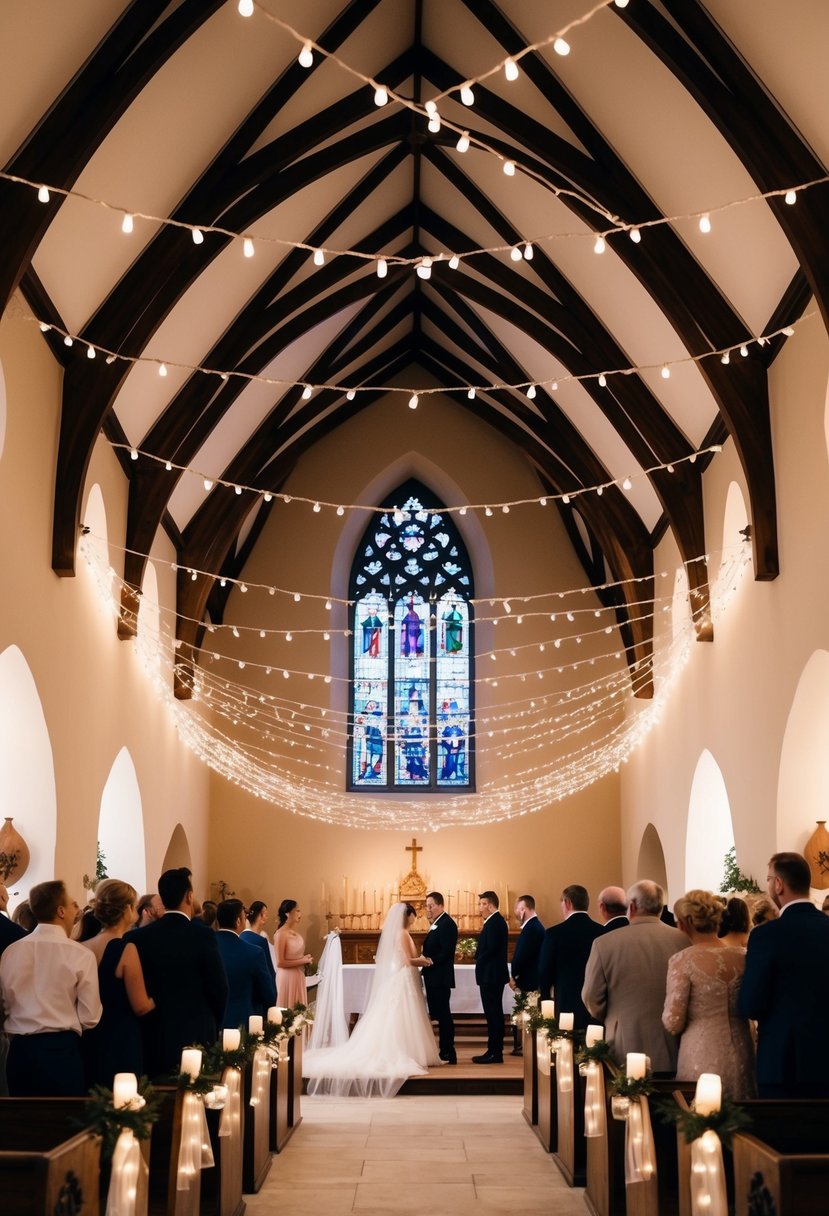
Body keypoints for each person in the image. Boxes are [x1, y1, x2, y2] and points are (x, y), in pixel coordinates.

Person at [302, 902, 439, 1096]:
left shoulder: (397, 934)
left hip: (401, 978)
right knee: (402, 1016)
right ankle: (406, 1051)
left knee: (399, 1016)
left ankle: (411, 1050)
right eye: (413, 915)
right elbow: (408, 960)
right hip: (404, 978)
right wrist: (425, 960)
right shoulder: (403, 934)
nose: (415, 919)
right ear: (408, 916)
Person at [738, 852, 829, 1098]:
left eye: (769, 879)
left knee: (781, 1135)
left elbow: (751, 1004)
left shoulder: (766, 935)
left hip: (782, 1062)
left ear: (778, 884)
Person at [0, 879, 102, 1096]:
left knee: (22, 1123)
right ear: (61, 911)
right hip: (60, 1050)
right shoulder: (79, 954)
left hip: (20, 1051)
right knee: (63, 1123)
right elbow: (90, 1016)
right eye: (73, 904)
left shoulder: (11, 952)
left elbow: (5, 1001)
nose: (78, 909)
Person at [130, 867, 228, 1078]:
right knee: (196, 1098)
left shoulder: (138, 938)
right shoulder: (203, 935)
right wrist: (211, 1022)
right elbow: (219, 987)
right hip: (197, 1031)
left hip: (153, 1032)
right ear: (189, 896)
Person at [582, 879, 687, 1072]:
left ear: (631, 907)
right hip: (673, 1042)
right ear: (660, 908)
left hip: (623, 1043)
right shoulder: (683, 941)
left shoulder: (604, 943)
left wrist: (613, 1017)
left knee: (625, 1098)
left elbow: (591, 995)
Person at [662, 889, 755, 1099]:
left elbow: (673, 1021)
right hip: (743, 1048)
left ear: (684, 923)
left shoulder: (682, 960)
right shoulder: (744, 956)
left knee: (701, 1118)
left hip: (700, 1051)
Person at [80, 878, 155, 1086]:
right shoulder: (126, 949)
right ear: (127, 909)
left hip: (90, 1036)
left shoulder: (83, 946)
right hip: (120, 1038)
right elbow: (140, 1006)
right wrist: (154, 1001)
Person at [538, 885, 603, 1029]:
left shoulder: (554, 934)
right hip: (596, 1004)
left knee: (567, 1046)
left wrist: (545, 999)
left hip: (565, 1001)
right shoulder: (602, 932)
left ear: (567, 902)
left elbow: (544, 972)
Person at [215, 898, 276, 1029]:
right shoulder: (253, 952)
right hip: (241, 1023)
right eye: (244, 917)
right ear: (238, 921)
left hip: (211, 1023)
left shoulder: (206, 947)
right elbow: (269, 995)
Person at [422, 890, 458, 1064]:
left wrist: (429, 960)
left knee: (444, 1015)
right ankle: (444, 1049)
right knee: (439, 1013)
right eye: (426, 906)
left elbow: (446, 951)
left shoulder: (447, 924)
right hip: (433, 976)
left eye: (431, 905)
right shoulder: (437, 922)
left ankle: (448, 1051)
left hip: (440, 977)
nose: (428, 909)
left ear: (441, 905)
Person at [473, 890, 509, 1064]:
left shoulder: (495, 922)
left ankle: (495, 1052)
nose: (480, 908)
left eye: (482, 904)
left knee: (493, 1013)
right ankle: (493, 1050)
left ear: (490, 904)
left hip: (492, 975)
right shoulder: (494, 922)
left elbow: (491, 949)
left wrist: (478, 958)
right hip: (491, 975)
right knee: (492, 1013)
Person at [508, 894, 544, 1056]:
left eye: (517, 909)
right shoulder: (535, 926)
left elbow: (521, 956)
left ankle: (526, 1046)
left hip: (529, 979)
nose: (516, 913)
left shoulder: (532, 928)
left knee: (528, 1013)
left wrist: (514, 976)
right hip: (531, 977)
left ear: (523, 909)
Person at [274, 899, 312, 1007]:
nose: (300, 914)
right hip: (286, 977)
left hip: (298, 975)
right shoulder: (281, 934)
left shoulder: (294, 932)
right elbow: (280, 962)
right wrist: (303, 960)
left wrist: (304, 957)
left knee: (298, 1011)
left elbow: (294, 956)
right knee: (287, 1011)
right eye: (297, 911)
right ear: (287, 913)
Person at [240, 900, 277, 994]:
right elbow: (267, 966)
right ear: (260, 916)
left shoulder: (245, 935)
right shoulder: (258, 938)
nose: (267, 917)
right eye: (266, 914)